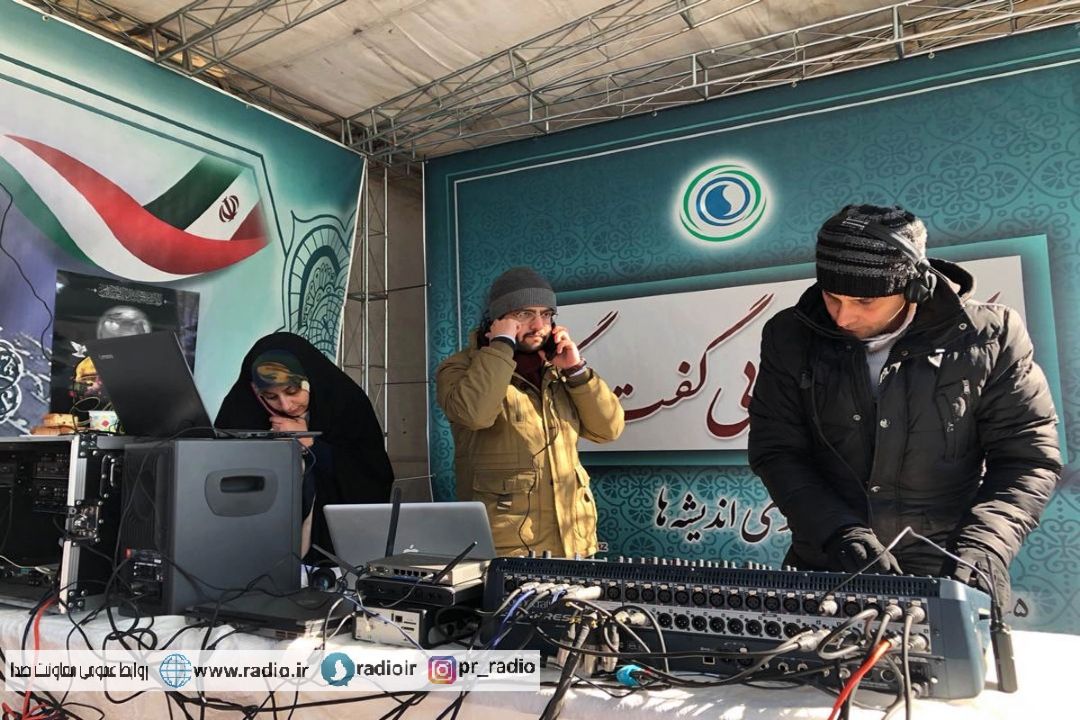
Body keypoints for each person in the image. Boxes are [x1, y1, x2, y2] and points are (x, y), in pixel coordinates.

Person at [748, 204, 1061, 607]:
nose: (843, 317)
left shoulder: (991, 337)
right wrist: (839, 532)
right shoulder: (789, 335)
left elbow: (1027, 459)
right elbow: (777, 451)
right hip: (827, 563)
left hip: (948, 571)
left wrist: (986, 544)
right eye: (832, 297)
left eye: (864, 301)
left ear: (914, 287)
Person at [436, 267, 625, 558]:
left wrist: (576, 371)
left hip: (575, 543)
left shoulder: (558, 369)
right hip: (508, 550)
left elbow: (608, 430)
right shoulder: (461, 367)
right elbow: (474, 414)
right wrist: (501, 346)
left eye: (546, 314)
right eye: (524, 314)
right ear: (497, 319)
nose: (539, 325)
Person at [216, 332, 394, 560]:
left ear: (311, 379)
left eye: (292, 391)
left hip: (331, 552)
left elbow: (372, 475)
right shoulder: (243, 411)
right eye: (270, 396)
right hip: (258, 544)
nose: (286, 405)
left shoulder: (346, 404)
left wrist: (312, 444)